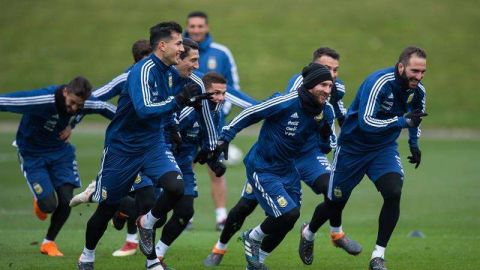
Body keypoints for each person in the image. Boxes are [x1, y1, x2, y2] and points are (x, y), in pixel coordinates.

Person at [203, 47, 362, 267]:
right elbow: (253, 112)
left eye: (332, 81)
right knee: (248, 208)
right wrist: (224, 138)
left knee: (291, 217)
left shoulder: (326, 110)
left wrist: (326, 135)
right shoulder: (286, 100)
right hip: (263, 166)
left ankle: (258, 260)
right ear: (311, 79)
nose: (329, 87)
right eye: (324, 81)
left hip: (289, 167)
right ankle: (227, 245)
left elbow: (327, 143)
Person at [77, 22, 213, 270]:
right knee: (106, 209)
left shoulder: (168, 71)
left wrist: (173, 127)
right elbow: (145, 109)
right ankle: (87, 256)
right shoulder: (141, 71)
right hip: (123, 149)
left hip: (153, 144)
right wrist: (179, 101)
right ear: (163, 46)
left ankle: (149, 236)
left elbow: (166, 105)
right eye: (179, 43)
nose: (182, 48)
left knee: (175, 187)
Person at [298, 46, 428, 270]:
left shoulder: (418, 91)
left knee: (393, 192)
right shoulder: (378, 83)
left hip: (383, 149)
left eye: (423, 72)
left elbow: (416, 117)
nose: (419, 76)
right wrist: (401, 122)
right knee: (335, 202)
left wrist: (414, 144)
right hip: (352, 148)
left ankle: (378, 256)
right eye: (414, 71)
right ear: (401, 67)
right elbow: (366, 123)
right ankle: (309, 232)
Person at [0, 76, 115, 257]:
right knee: (48, 205)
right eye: (72, 103)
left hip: (60, 152)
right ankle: (41, 200)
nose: (74, 108)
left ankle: (48, 243)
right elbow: (6, 101)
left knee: (67, 198)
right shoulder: (42, 99)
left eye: (79, 105)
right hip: (32, 154)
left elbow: (108, 109)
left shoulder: (82, 104)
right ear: (65, 92)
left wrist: (72, 124)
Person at [185, 11, 257, 229]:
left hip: (214, 124)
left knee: (216, 167)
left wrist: (219, 111)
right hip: (187, 123)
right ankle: (186, 215)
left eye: (200, 26)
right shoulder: (180, 51)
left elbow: (232, 85)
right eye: (192, 26)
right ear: (187, 27)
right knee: (185, 165)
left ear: (206, 27)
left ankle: (220, 216)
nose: (196, 30)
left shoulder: (221, 53)